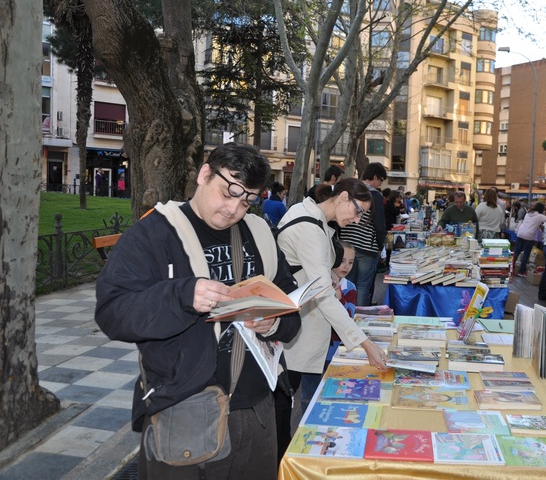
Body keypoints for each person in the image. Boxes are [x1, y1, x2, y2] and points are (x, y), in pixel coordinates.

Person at [95, 143, 301, 479]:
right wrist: (181, 295)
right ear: (205, 174)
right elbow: (112, 313)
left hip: (258, 410)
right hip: (185, 410)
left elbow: (292, 310)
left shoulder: (259, 233)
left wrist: (275, 323)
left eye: (247, 199)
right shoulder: (155, 233)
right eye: (228, 192)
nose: (234, 208)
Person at [279, 177, 387, 412]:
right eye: (358, 212)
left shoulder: (313, 218)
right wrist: (366, 344)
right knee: (284, 400)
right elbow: (323, 295)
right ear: (343, 197)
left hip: (299, 318)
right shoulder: (311, 228)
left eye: (362, 217)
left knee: (287, 396)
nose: (357, 220)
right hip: (294, 323)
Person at [339, 163, 387, 306]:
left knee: (349, 283)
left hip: (347, 245)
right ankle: (361, 317)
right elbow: (379, 224)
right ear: (375, 177)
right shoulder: (375, 195)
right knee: (363, 285)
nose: (380, 184)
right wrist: (380, 246)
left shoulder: (350, 191)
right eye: (381, 180)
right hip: (367, 247)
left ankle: (349, 313)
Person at [511, 203, 546, 277]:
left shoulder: (528, 214)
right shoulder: (540, 216)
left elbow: (532, 222)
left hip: (520, 233)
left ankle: (511, 269)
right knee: (526, 254)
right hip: (529, 236)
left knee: (517, 251)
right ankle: (521, 271)